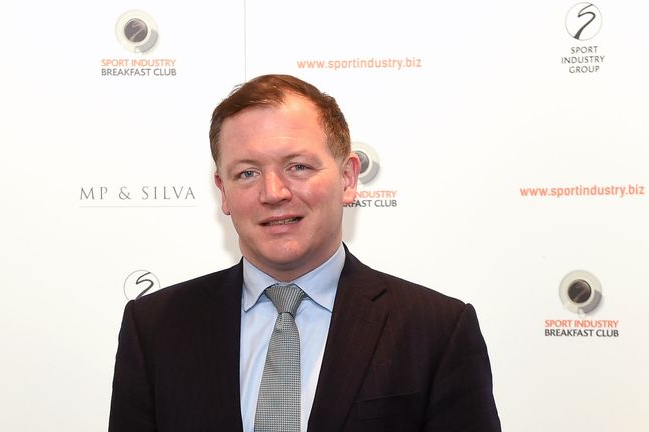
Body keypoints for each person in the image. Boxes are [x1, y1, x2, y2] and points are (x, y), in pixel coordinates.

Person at [109, 74, 501, 432]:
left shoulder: (436, 331)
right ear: (222, 191)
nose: (273, 192)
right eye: (247, 173)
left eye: (297, 166)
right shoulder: (155, 328)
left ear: (348, 178)